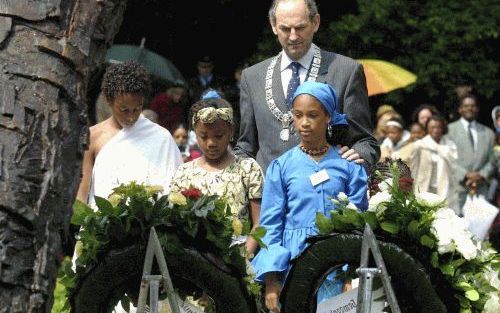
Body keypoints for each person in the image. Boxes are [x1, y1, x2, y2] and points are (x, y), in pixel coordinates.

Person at [252, 81, 368, 312]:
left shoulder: (348, 165)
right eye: (298, 115)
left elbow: (360, 223)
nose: (304, 123)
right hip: (292, 268)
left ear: (328, 117)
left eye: (313, 115)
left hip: (337, 268)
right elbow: (270, 226)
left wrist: (351, 276)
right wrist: (272, 282)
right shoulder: (281, 167)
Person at [235, 0, 379, 173]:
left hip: (326, 190)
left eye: (300, 27)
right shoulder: (252, 77)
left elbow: (365, 141)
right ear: (273, 26)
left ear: (315, 22)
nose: (293, 36)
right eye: (285, 29)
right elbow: (246, 147)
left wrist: (358, 158)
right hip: (268, 194)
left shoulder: (346, 71)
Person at [76, 61, 183, 207]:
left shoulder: (162, 138)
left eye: (137, 109)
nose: (131, 117)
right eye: (124, 110)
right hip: (100, 225)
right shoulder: (94, 136)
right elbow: (82, 192)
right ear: (109, 100)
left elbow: (175, 188)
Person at [170, 97, 264, 255]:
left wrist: (244, 258)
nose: (211, 143)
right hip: (198, 259)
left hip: (239, 257)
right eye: (204, 136)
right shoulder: (184, 173)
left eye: (219, 136)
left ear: (231, 132)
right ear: (195, 134)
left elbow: (259, 223)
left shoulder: (248, 168)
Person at [446, 94, 495, 210]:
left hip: (481, 188)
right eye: (466, 106)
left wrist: (481, 175)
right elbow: (447, 157)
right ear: (460, 109)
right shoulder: (449, 130)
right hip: (457, 188)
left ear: (477, 109)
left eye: (473, 106)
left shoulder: (488, 133)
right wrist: (465, 174)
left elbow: (492, 159)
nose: (469, 108)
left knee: (480, 227)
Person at [410, 115, 459, 213]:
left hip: (445, 188)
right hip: (425, 188)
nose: (436, 130)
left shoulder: (449, 146)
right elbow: (414, 168)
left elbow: (454, 167)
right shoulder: (420, 145)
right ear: (427, 129)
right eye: (432, 127)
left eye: (438, 127)